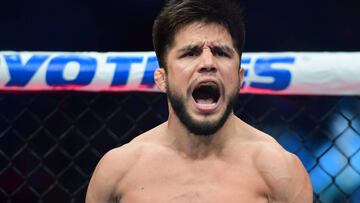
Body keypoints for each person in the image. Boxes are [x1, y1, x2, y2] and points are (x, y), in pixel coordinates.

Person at [86, 0, 313, 202]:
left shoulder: (279, 171)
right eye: (190, 53)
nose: (208, 63)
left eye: (221, 53)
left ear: (239, 77)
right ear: (162, 78)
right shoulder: (118, 171)